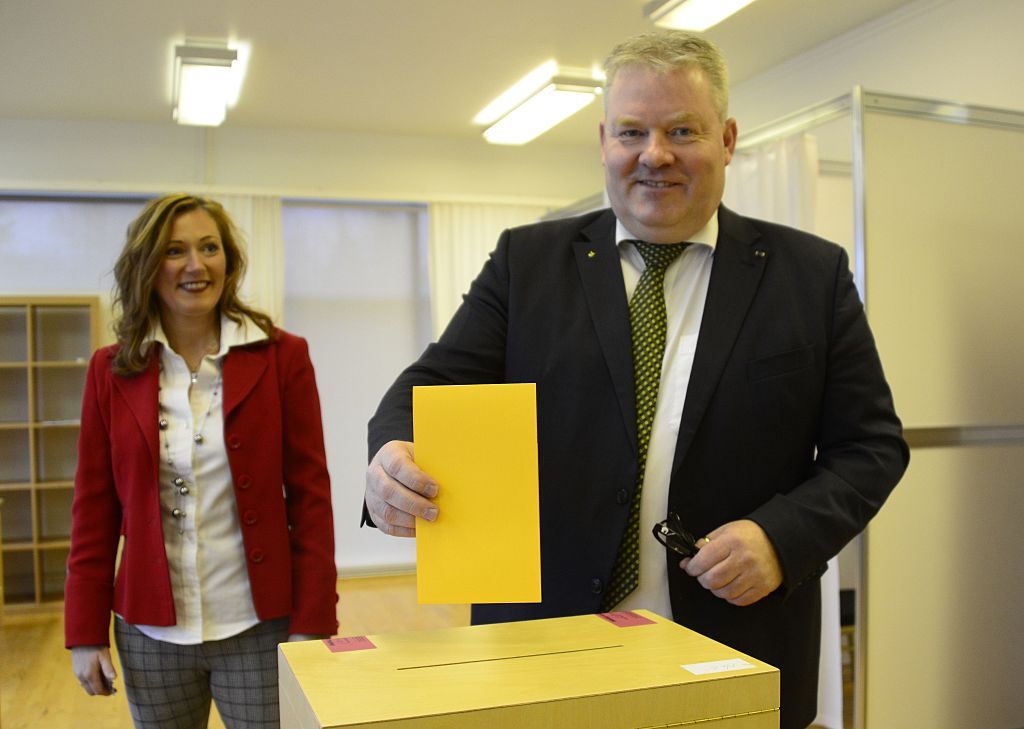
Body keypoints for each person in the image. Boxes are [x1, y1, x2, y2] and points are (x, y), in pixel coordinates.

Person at [364, 31, 908, 729]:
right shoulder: (527, 263)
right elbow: (428, 388)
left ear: (728, 138)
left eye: (683, 129)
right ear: (603, 142)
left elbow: (871, 447)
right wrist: (389, 456)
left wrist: (781, 536)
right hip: (548, 642)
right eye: (632, 131)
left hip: (735, 646)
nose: (655, 154)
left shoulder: (811, 274)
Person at [65, 193, 338, 728]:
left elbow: (311, 499)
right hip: (150, 635)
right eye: (175, 250)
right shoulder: (110, 370)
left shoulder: (283, 357)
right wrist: (85, 631)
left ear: (228, 261)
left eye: (209, 247)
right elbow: (94, 508)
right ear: (147, 267)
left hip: (259, 626)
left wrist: (313, 621)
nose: (196, 265)